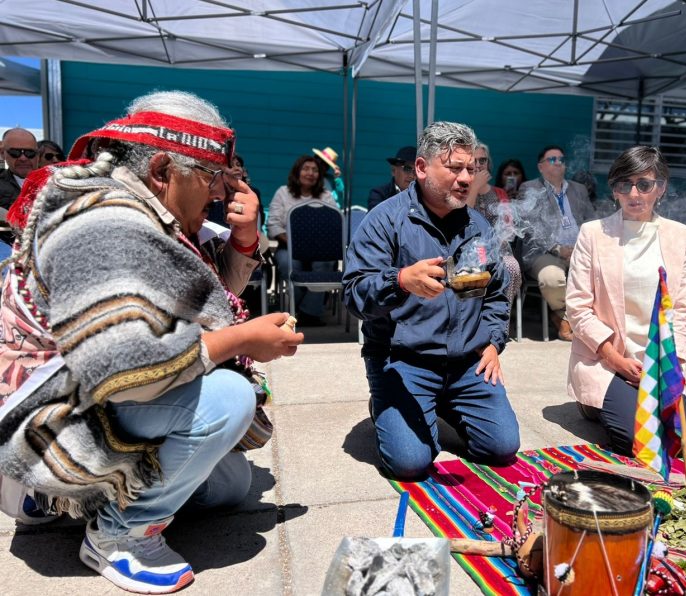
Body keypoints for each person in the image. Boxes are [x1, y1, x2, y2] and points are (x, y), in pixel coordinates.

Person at [0, 90, 303, 593]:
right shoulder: (104, 223)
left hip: (82, 400)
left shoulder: (146, 207)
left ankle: (73, 497)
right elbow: (125, 374)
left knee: (230, 486)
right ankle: (114, 533)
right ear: (163, 170)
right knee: (229, 400)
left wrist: (245, 241)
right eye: (211, 178)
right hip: (47, 418)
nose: (219, 194)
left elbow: (201, 304)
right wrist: (240, 340)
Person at [343, 121, 520, 480]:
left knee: (502, 449)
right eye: (454, 168)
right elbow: (354, 294)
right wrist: (401, 280)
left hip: (464, 363)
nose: (466, 178)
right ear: (422, 169)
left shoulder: (477, 228)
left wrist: (492, 342)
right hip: (403, 362)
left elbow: (495, 292)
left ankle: (440, 404)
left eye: (471, 168)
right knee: (411, 463)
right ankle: (389, 405)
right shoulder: (386, 221)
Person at [565, 146, 686, 455]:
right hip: (607, 360)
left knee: (674, 442)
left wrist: (669, 366)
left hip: (658, 362)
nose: (634, 193)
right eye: (625, 185)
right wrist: (615, 360)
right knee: (636, 442)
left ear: (660, 187)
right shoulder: (593, 233)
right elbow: (578, 307)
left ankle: (619, 404)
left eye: (644, 184)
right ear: (615, 190)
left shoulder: (679, 235)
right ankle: (595, 404)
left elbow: (681, 309)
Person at [518, 145, 598, 341]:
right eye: (553, 159)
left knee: (604, 271)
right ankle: (562, 315)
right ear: (541, 167)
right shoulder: (529, 188)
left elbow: (591, 221)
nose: (559, 163)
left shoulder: (578, 189)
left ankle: (586, 320)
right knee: (552, 278)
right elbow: (530, 227)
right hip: (543, 251)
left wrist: (582, 247)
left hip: (579, 251)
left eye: (561, 160)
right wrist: (558, 248)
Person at [267, 155, 337, 326]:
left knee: (326, 264)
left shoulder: (326, 196)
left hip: (320, 250)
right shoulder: (283, 193)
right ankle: (292, 309)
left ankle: (308, 312)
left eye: (315, 170)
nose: (310, 173)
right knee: (287, 264)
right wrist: (297, 245)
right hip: (289, 247)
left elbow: (334, 225)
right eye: (306, 169)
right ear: (297, 172)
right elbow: (274, 225)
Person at [466, 142, 522, 301]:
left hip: (497, 250)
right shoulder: (460, 190)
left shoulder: (499, 193)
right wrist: (474, 187)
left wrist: (495, 245)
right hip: (468, 251)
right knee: (474, 267)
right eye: (473, 160)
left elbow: (508, 228)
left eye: (482, 160)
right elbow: (463, 219)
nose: (478, 165)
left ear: (488, 164)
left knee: (511, 267)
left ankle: (502, 318)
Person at [368, 145, 417, 211]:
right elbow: (377, 218)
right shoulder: (379, 194)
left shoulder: (424, 197)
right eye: (407, 169)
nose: (412, 175)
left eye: (416, 171)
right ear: (393, 171)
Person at [0, 128, 38, 211]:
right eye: (15, 152)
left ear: (37, 154)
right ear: (3, 154)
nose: (23, 158)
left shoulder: (54, 182)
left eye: (29, 152)